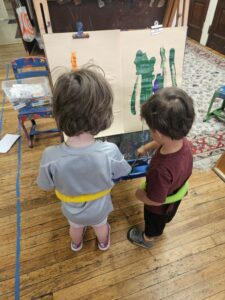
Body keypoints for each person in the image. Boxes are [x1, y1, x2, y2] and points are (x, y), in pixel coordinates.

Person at [37, 67, 131, 252]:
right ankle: (103, 243)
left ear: (57, 114)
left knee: (75, 228)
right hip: (99, 210)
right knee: (101, 226)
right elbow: (124, 172)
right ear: (104, 114)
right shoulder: (110, 152)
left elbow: (46, 185)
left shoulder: (50, 156)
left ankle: (76, 244)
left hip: (72, 211)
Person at [127, 86, 195, 248]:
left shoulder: (161, 170)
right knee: (165, 217)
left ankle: (147, 239)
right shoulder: (183, 142)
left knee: (153, 226)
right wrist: (146, 148)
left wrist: (139, 195)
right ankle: (158, 228)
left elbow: (155, 200)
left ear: (157, 132)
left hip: (157, 208)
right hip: (175, 193)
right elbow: (162, 140)